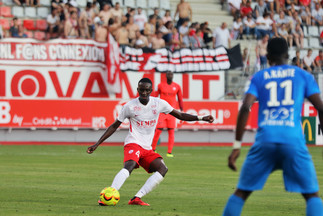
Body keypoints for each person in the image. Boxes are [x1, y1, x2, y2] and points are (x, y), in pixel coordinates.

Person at [222, 37, 323, 216]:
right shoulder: (303, 75)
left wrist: (237, 146)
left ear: (268, 57)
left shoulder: (259, 77)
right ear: (287, 54)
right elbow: (320, 107)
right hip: (293, 140)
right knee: (312, 195)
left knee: (242, 192)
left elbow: (246, 107)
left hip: (265, 140)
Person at [87, 78, 214, 206]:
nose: (144, 92)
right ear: (137, 90)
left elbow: (180, 115)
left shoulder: (158, 103)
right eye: (141, 90)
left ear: (151, 91)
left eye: (147, 90)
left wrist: (201, 118)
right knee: (129, 166)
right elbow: (114, 126)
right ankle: (110, 194)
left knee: (162, 169)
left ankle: (136, 198)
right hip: (133, 142)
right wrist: (97, 143)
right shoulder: (129, 106)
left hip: (147, 148)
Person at [151, 71, 184, 157]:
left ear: (173, 76)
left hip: (172, 112)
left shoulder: (177, 86)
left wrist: (182, 109)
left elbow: (180, 98)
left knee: (171, 132)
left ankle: (169, 152)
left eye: (171, 74)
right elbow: (155, 96)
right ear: (166, 76)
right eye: (169, 74)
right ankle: (153, 149)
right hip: (162, 112)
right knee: (158, 131)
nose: (170, 76)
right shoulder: (160, 85)